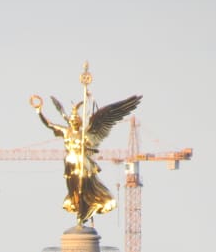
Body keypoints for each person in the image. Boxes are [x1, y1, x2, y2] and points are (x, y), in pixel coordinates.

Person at [35, 92, 141, 226]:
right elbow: (49, 124)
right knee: (72, 189)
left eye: (76, 120)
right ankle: (78, 207)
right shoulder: (65, 132)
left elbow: (104, 118)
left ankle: (84, 211)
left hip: (83, 163)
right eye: (72, 120)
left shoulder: (86, 134)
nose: (74, 122)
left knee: (83, 185)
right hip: (69, 164)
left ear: (79, 122)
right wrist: (39, 112)